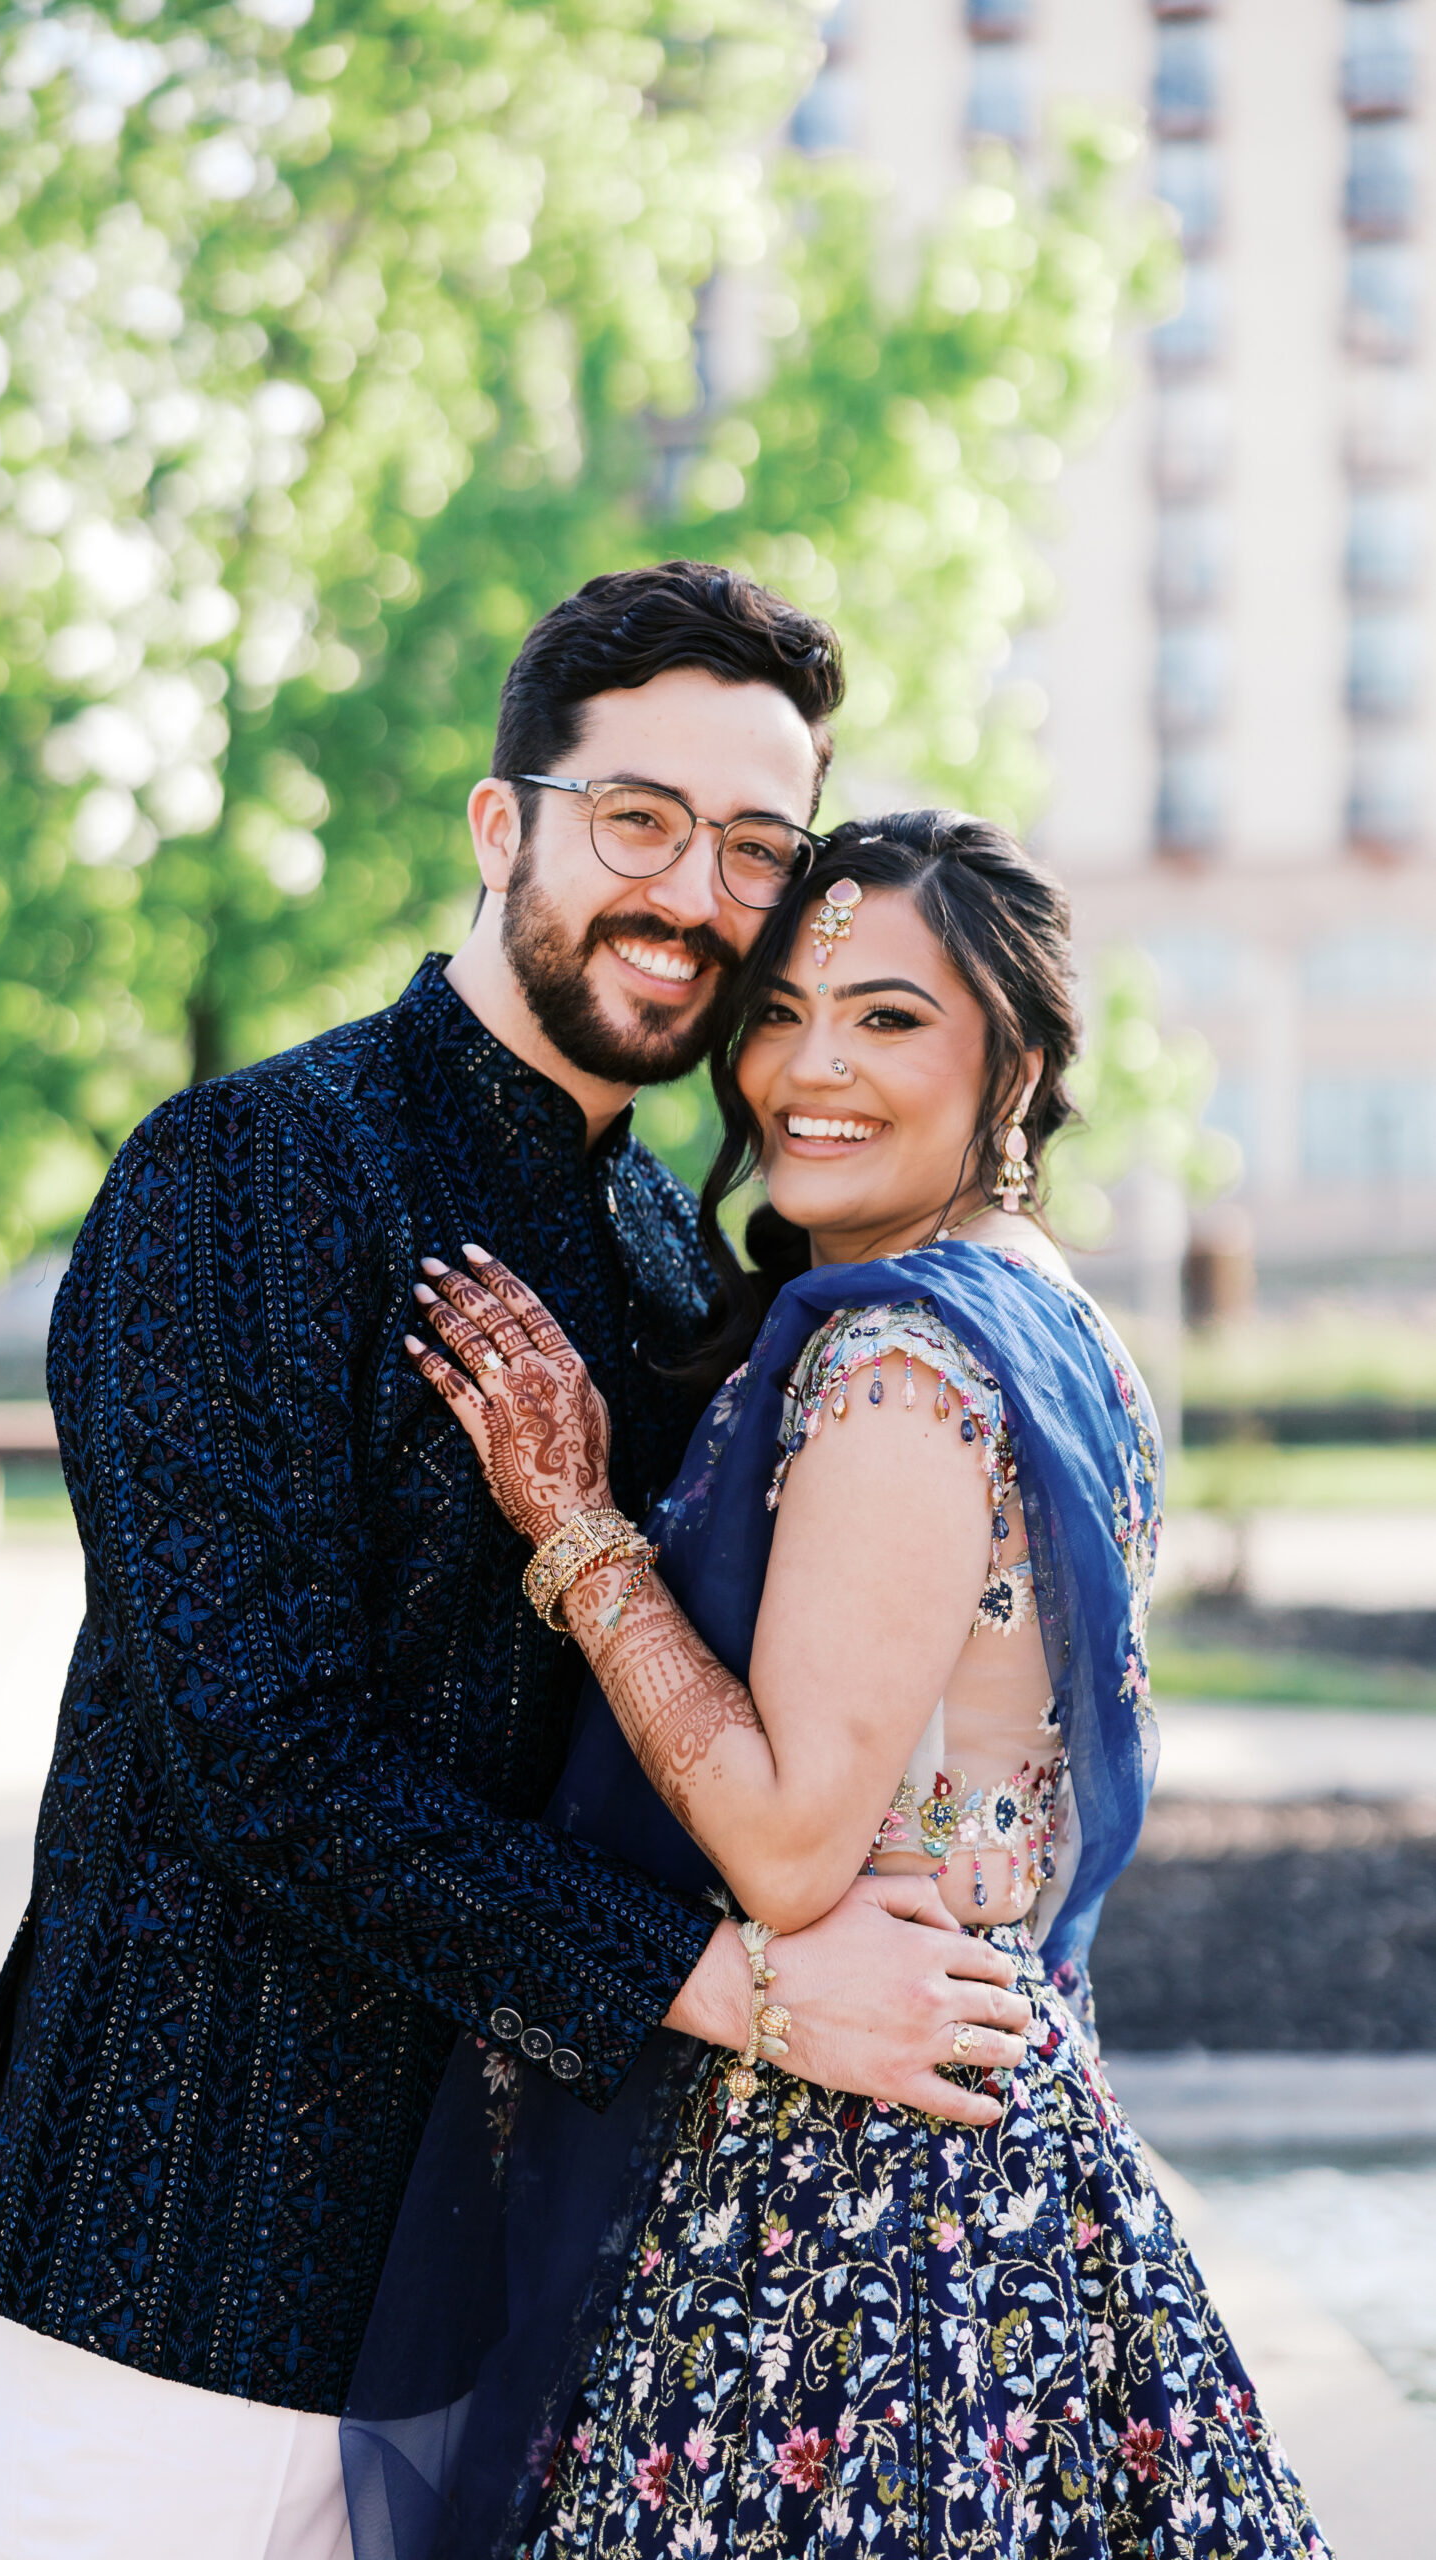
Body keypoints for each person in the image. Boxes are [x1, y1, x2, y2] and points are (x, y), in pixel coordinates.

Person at [0, 567, 1037, 2560]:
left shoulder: (672, 1247)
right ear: (502, 822)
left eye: (753, 848)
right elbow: (269, 1757)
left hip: (488, 2273)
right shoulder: (249, 1171)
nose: (690, 892)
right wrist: (753, 1990)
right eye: (637, 819)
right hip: (183, 2261)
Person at [395, 814, 1330, 2559]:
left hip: (849, 2208)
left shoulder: (901, 1360)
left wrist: (574, 1525)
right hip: (1004, 2136)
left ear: (1018, 1060)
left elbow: (791, 1844)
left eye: (890, 1018)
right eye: (778, 1012)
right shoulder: (1051, 1317)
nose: (809, 1067)